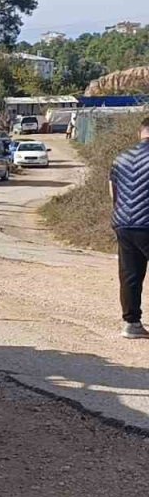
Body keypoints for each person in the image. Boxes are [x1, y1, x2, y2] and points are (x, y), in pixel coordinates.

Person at [110, 117, 149, 339]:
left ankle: (131, 324)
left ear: (140, 133)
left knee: (130, 275)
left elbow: (113, 194)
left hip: (124, 224)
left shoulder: (120, 158)